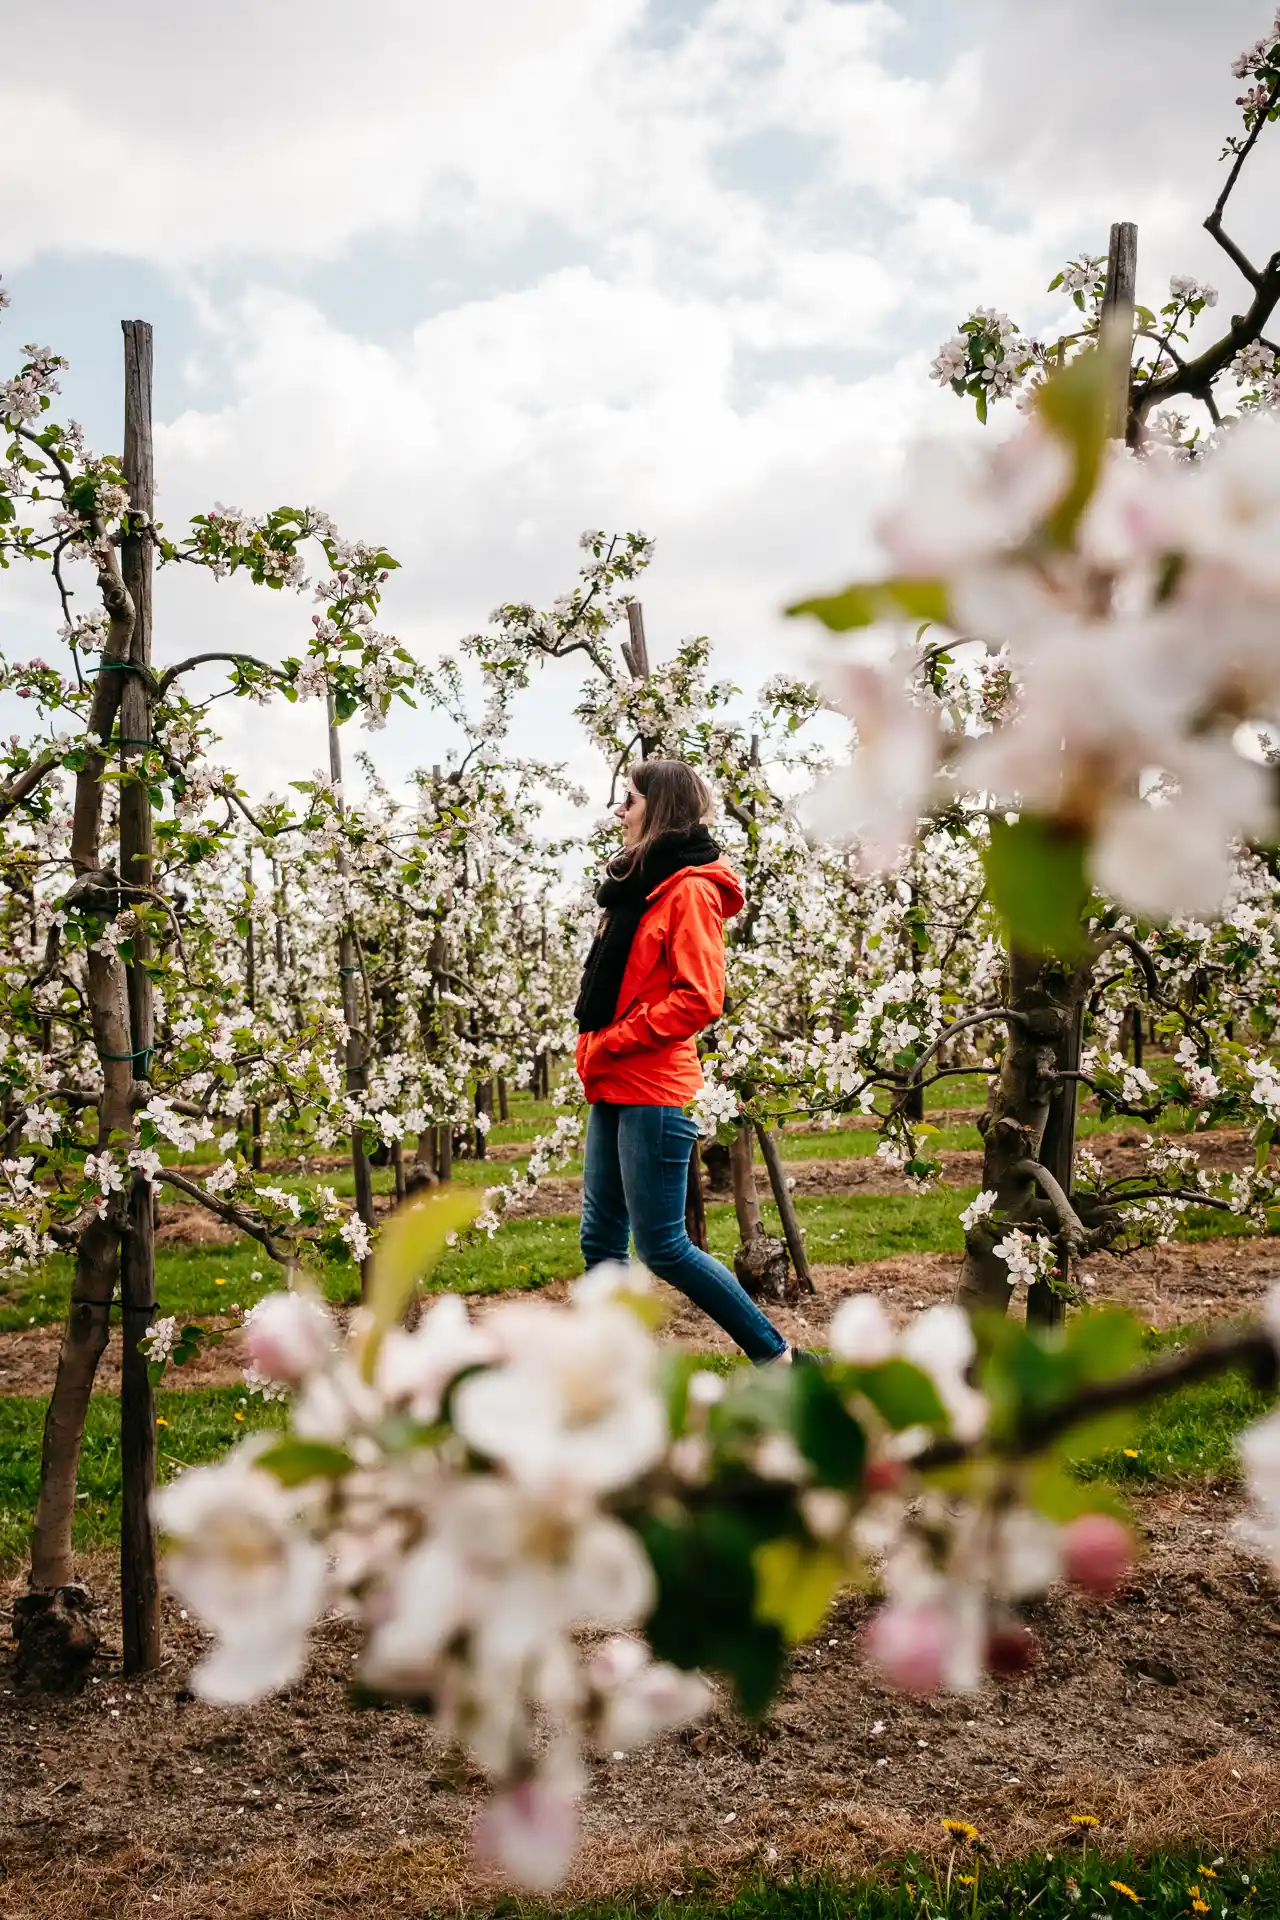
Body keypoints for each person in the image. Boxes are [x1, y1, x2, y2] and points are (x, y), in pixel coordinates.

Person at [574, 757, 796, 1365]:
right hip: (613, 1083)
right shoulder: (638, 887)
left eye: (630, 800)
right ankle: (608, 1380)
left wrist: (616, 1038)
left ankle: (777, 1359)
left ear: (660, 808)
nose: (620, 811)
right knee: (600, 1243)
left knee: (665, 1247)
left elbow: (701, 998)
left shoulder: (690, 890)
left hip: (651, 1085)